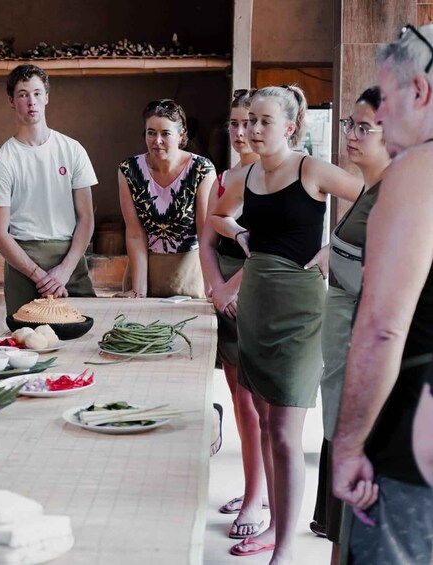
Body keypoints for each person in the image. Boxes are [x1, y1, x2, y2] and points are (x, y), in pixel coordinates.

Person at [211, 85, 359, 563]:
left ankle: (286, 549)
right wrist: (239, 232)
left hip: (300, 308)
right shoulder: (245, 174)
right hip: (256, 301)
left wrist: (330, 251)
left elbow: (370, 197)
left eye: (264, 121)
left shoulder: (310, 169)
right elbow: (217, 216)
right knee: (266, 419)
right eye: (249, 119)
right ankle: (274, 527)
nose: (252, 129)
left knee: (284, 430)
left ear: (290, 128)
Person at [332, 24, 433, 564]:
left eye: (387, 99)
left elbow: (382, 327)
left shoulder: (417, 170)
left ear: (420, 91)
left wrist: (346, 449)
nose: (379, 116)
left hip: (415, 431)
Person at [306, 87, 391, 563]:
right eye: (349, 125)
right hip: (341, 375)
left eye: (364, 127)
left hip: (366, 384)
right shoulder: (367, 191)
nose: (352, 136)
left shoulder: (396, 203)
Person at [198, 88, 268, 540]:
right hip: (223, 293)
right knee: (239, 401)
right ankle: (249, 489)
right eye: (234, 123)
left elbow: (269, 248)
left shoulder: (270, 177)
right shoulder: (225, 177)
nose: (240, 132)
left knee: (256, 403)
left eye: (249, 123)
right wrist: (213, 286)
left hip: (254, 292)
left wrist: (229, 288)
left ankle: (258, 497)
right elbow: (206, 239)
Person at [0, 64, 98, 317]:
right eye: (23, 94)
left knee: (84, 336)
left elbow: (86, 218)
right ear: (12, 101)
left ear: (47, 97)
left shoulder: (72, 150)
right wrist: (39, 276)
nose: (31, 101)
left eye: (37, 93)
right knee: (27, 342)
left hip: (69, 259)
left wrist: (64, 271)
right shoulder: (4, 160)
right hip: (23, 262)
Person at [116, 99, 215, 299]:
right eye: (151, 133)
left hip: (189, 275)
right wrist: (138, 291)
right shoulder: (129, 170)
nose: (157, 140)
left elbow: (206, 234)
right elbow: (135, 234)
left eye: (165, 134)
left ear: (181, 135)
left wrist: (211, 289)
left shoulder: (201, 169)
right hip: (143, 274)